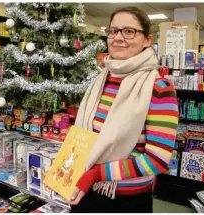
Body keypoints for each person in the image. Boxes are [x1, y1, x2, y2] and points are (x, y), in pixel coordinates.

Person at [69, 6, 179, 213]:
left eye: (129, 31)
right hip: (84, 189)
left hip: (125, 201)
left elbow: (157, 160)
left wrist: (96, 174)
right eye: (113, 31)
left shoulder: (159, 88)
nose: (118, 38)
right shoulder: (101, 80)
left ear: (147, 39)